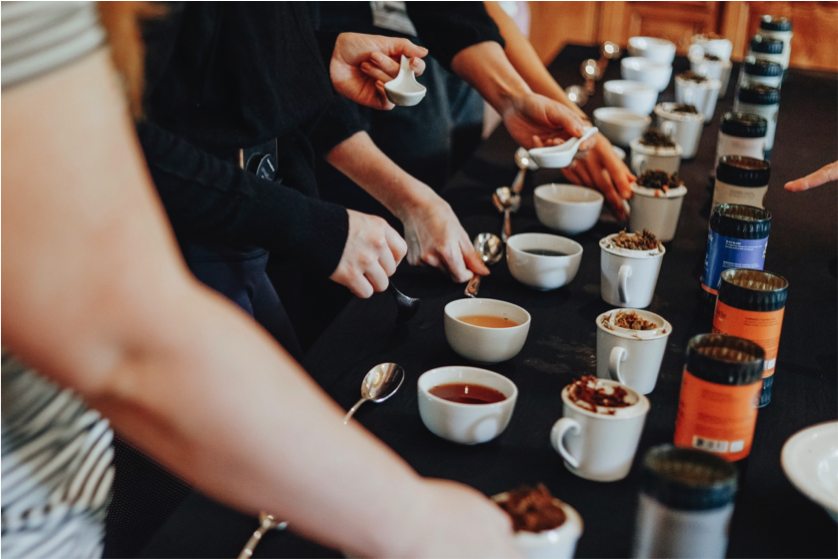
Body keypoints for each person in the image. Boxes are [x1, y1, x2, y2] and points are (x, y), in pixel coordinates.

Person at [1, 3, 524, 559]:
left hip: (61, 484)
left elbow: (221, 65)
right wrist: (415, 520)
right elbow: (127, 342)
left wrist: (315, 59)